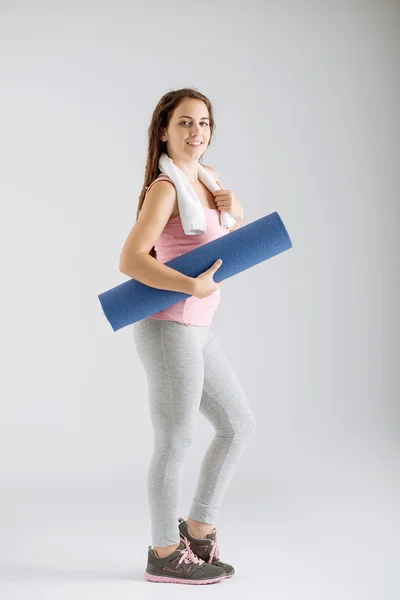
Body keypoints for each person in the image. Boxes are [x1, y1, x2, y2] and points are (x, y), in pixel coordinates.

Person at [119, 88, 256, 585]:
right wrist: (187, 284)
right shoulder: (165, 186)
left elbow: (220, 235)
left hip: (199, 328)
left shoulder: (209, 179)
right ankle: (163, 551)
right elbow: (131, 259)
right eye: (184, 123)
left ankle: (197, 531)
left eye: (204, 123)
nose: (196, 133)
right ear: (163, 130)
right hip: (167, 327)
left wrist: (235, 209)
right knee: (176, 440)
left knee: (237, 426)